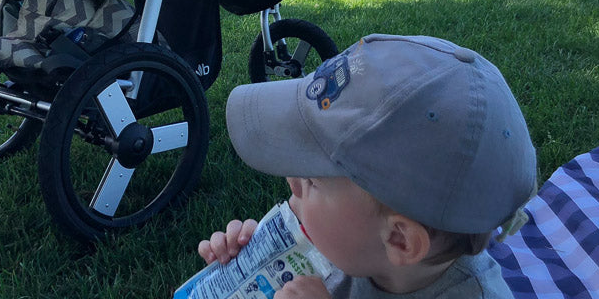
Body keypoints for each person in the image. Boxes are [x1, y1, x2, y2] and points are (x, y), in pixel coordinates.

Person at [198, 34, 537, 299]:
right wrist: (251, 268)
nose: (292, 181)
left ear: (399, 239)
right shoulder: (348, 243)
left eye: (313, 181)